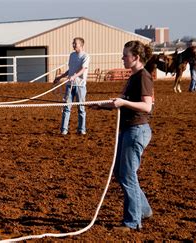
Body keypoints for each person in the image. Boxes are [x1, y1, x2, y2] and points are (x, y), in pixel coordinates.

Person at [91, 40, 154, 232]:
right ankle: (143, 209)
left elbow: (147, 106)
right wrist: (101, 106)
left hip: (136, 130)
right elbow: (122, 102)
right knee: (121, 173)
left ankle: (133, 221)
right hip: (129, 130)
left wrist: (123, 104)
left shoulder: (143, 77)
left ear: (135, 57)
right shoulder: (134, 77)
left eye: (125, 55)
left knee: (127, 175)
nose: (123, 58)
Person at [53, 37, 90, 135]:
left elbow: (83, 69)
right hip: (70, 85)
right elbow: (70, 70)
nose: (73, 45)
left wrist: (75, 76)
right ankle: (64, 130)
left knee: (81, 108)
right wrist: (60, 77)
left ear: (81, 45)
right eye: (73, 43)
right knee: (66, 107)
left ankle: (81, 129)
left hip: (80, 86)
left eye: (75, 43)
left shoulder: (85, 56)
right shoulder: (72, 55)